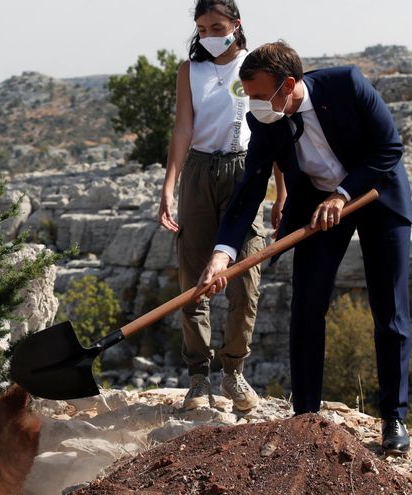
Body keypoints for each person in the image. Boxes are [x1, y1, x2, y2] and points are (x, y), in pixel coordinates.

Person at [197, 41, 412, 454]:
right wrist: (222, 254)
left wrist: (344, 194)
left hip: (375, 196)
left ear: (290, 85)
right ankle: (305, 418)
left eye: (259, 95)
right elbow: (248, 192)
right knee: (307, 306)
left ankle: (394, 418)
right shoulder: (266, 120)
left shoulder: (347, 85)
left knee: (389, 310)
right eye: (248, 95)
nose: (253, 104)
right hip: (317, 210)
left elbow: (390, 148)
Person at [159, 0, 285, 412]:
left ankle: (234, 370)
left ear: (236, 24)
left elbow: (274, 126)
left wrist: (282, 189)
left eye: (217, 26)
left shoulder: (255, 64)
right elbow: (183, 126)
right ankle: (199, 376)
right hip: (198, 172)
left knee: (245, 279)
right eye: (203, 29)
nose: (211, 36)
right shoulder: (189, 71)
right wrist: (169, 186)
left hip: (245, 173)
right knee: (194, 278)